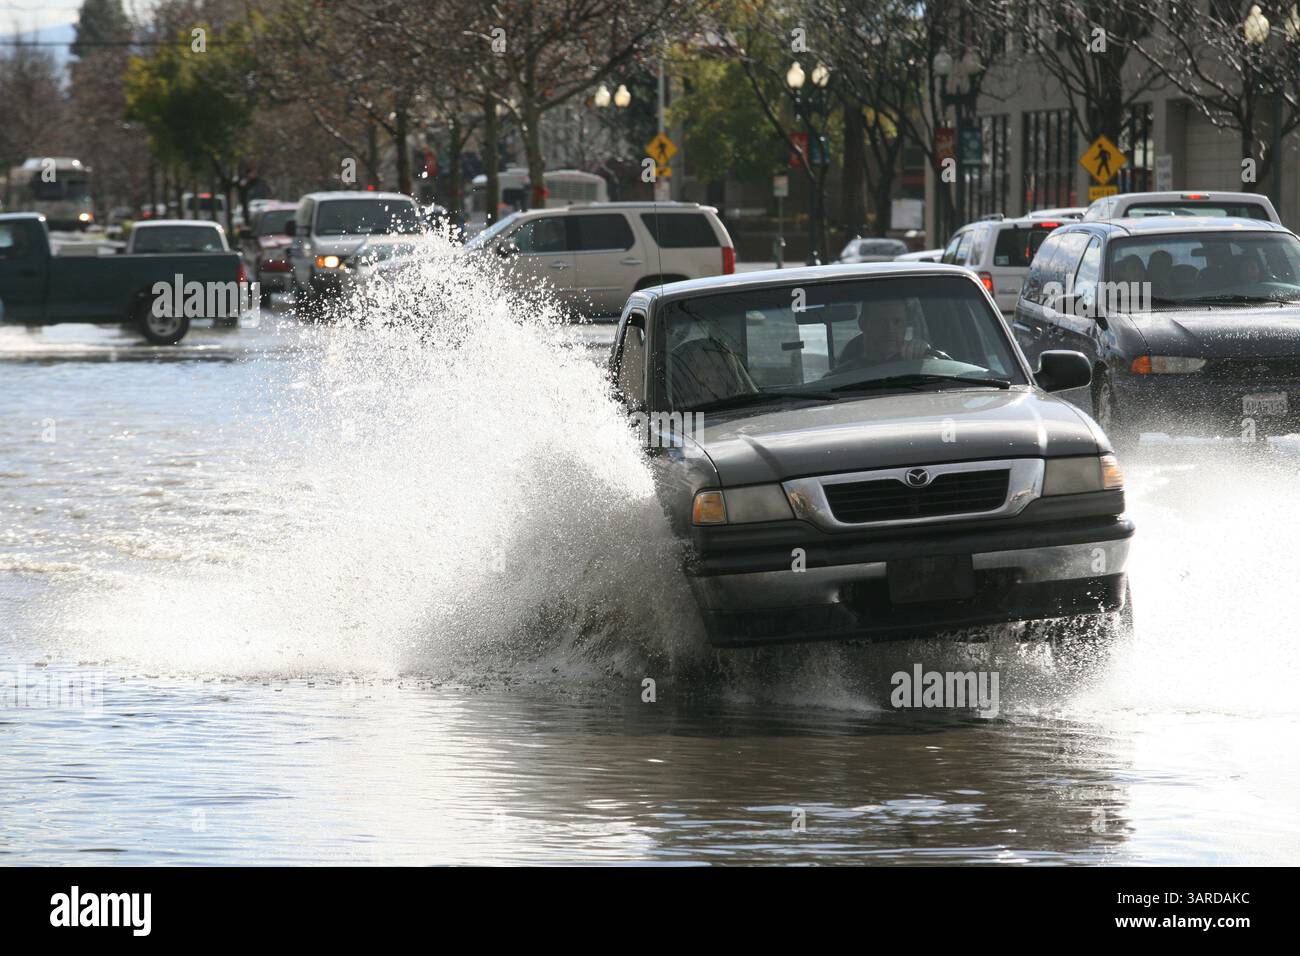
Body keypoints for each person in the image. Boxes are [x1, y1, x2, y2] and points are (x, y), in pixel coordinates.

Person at [834, 298, 933, 369]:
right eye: (881, 321)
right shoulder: (842, 378)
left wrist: (927, 356)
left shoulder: (918, 363)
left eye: (897, 322)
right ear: (863, 324)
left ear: (906, 325)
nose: (890, 329)